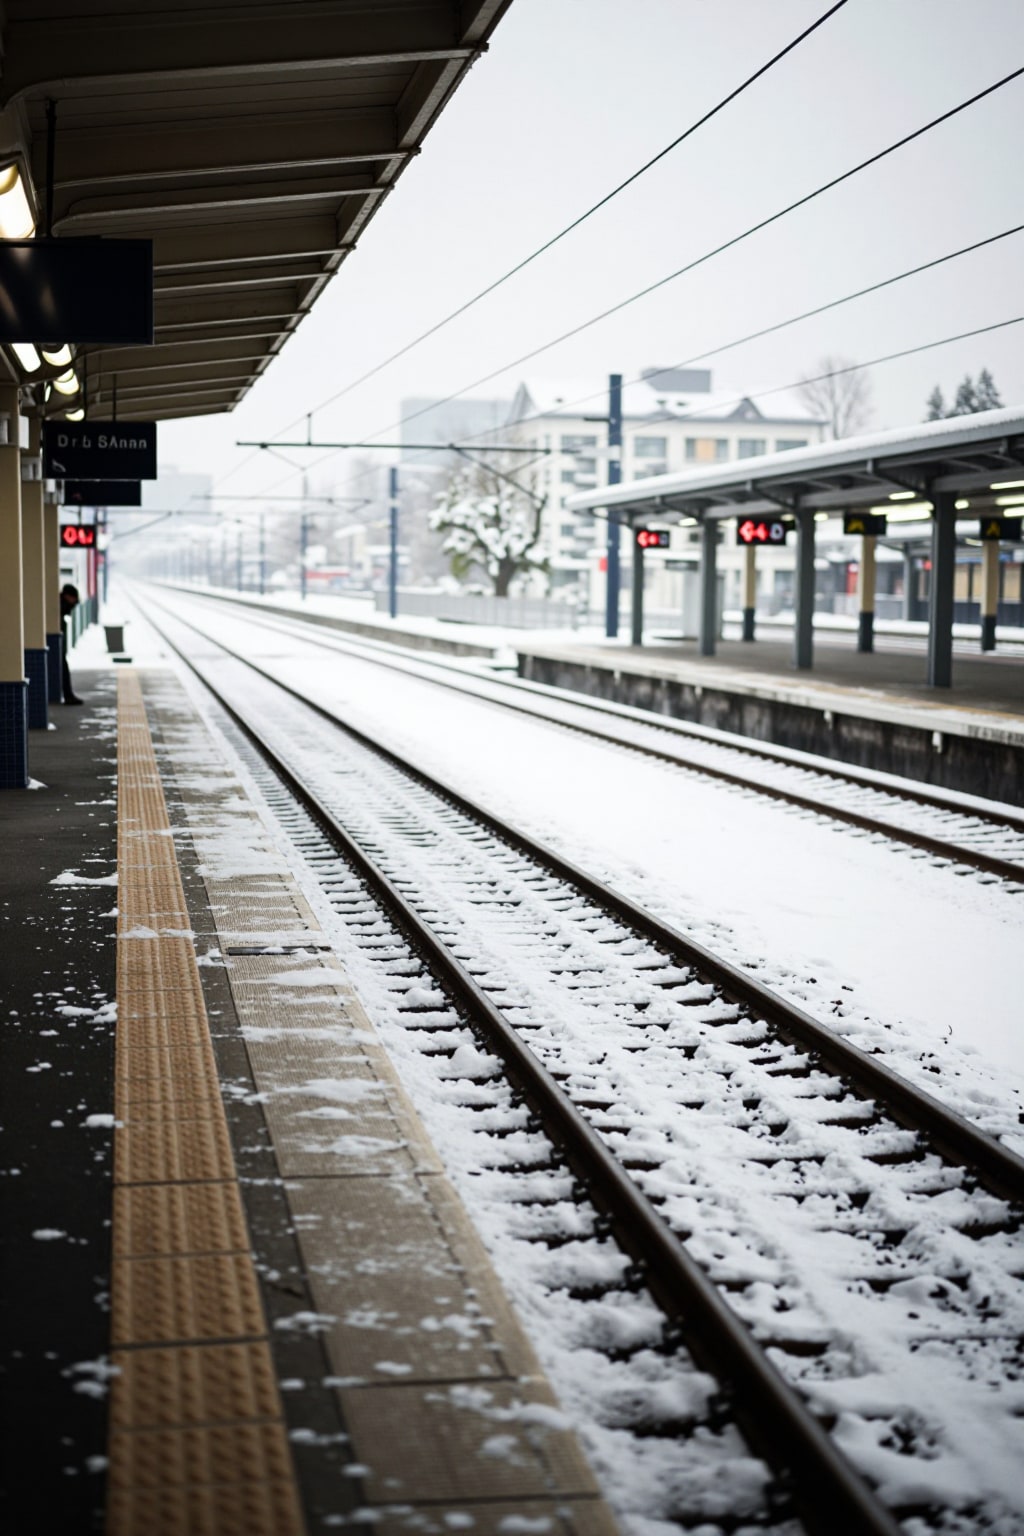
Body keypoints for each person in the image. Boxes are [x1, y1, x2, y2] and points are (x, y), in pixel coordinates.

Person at [60, 584, 82, 705]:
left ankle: (68, 695)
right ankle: (68, 696)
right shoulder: (60, 607)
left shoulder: (62, 606)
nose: (74, 603)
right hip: (55, 645)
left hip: (57, 645)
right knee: (63, 669)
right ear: (68, 596)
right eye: (74, 599)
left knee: (63, 668)